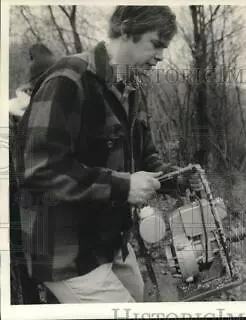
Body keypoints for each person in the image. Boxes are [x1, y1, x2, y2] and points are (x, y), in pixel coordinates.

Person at [17, 6, 200, 304]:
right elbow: (40, 169)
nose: (161, 56)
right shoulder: (69, 79)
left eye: (165, 48)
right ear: (126, 32)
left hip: (109, 241)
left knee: (137, 298)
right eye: (156, 44)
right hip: (65, 249)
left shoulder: (132, 86)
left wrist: (176, 179)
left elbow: (143, 157)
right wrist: (124, 186)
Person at [9, 43, 57, 304]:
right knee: (25, 282)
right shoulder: (10, 117)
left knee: (55, 281)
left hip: (50, 211)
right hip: (19, 210)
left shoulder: (53, 111)